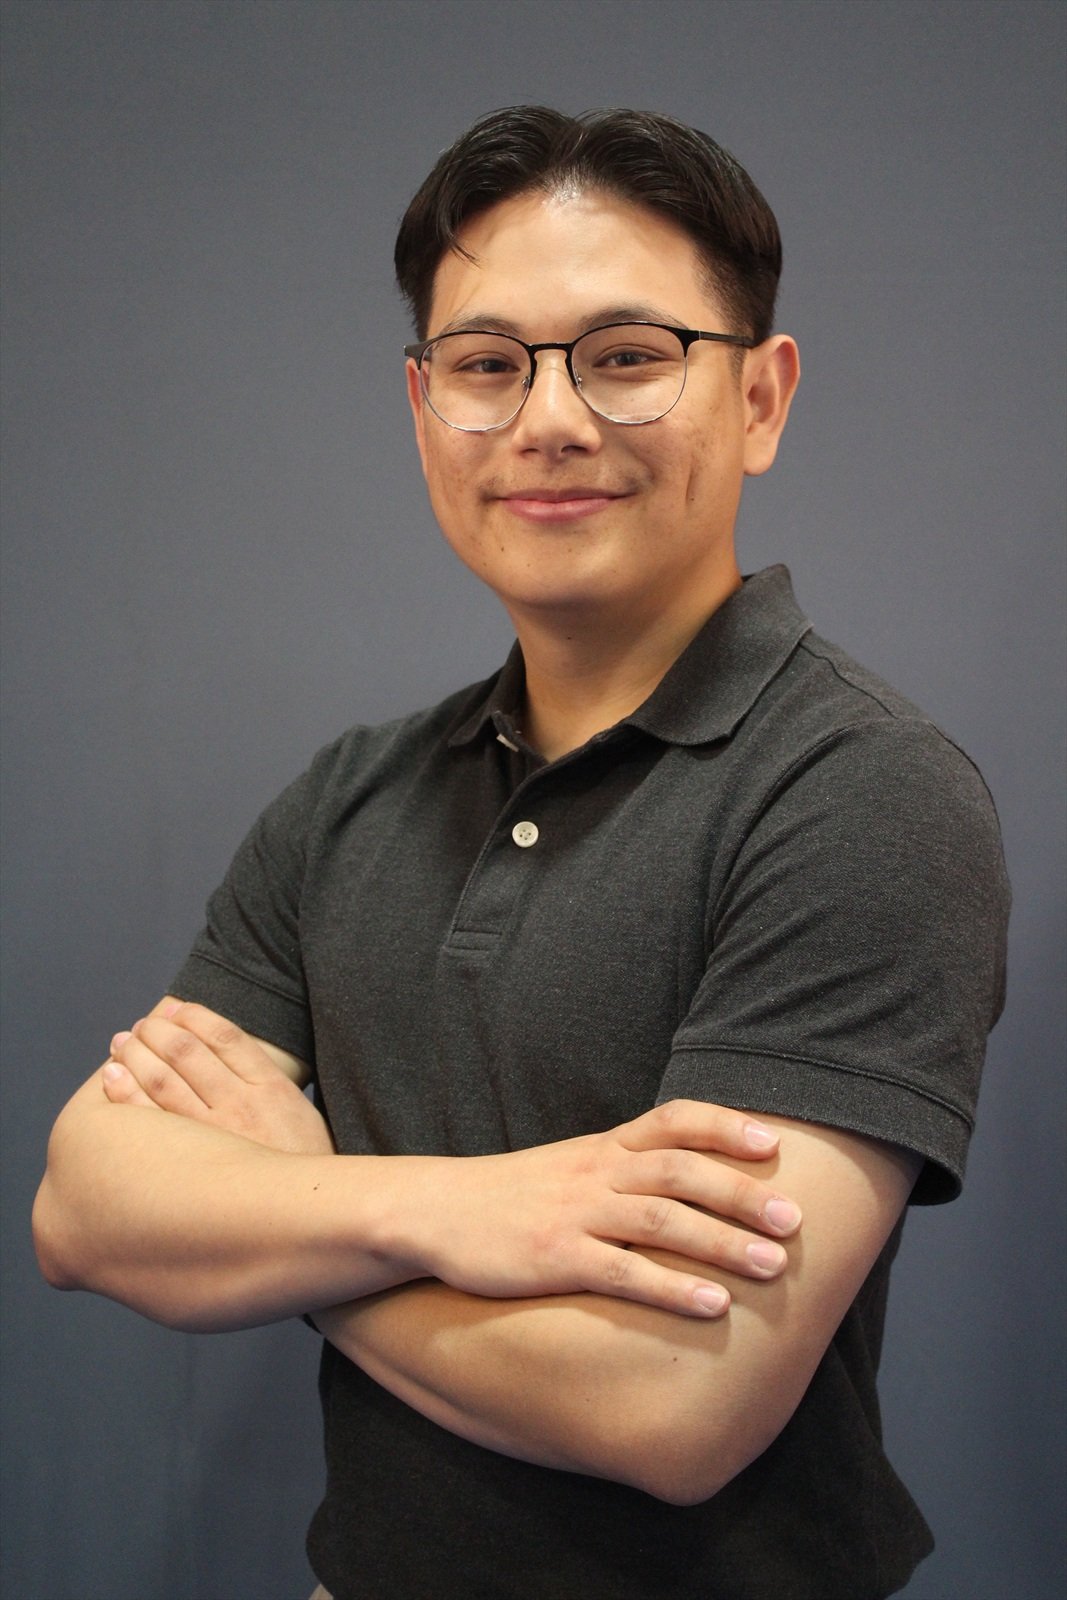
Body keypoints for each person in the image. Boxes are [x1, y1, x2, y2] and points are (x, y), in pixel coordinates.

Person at [32, 106, 1009, 1600]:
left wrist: (289, 1217)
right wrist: (454, 1207)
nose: (547, 422)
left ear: (761, 397)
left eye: (626, 356)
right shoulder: (350, 796)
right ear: (423, 406)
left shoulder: (862, 793)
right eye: (487, 367)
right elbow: (85, 1208)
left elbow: (676, 1407)